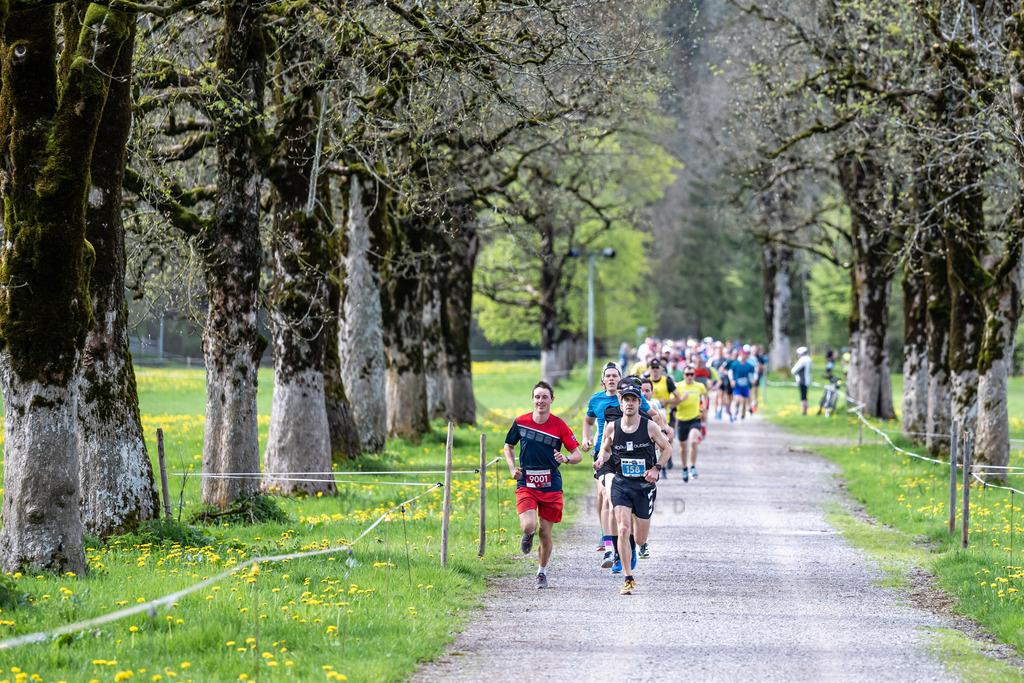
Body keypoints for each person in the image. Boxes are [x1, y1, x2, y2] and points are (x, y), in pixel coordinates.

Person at [504, 380, 583, 589]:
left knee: (545, 533)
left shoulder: (559, 425)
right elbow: (508, 446)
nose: (541, 401)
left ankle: (541, 572)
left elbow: (578, 455)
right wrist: (512, 467)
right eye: (537, 397)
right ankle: (527, 535)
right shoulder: (521, 422)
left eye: (544, 397)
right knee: (529, 525)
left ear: (552, 400)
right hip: (527, 480)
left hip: (551, 483)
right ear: (532, 399)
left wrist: (565, 458)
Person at [594, 382, 672, 595]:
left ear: (639, 403)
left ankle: (633, 546)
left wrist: (656, 468)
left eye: (633, 400)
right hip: (621, 483)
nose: (629, 403)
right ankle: (628, 578)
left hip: (644, 485)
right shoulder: (612, 427)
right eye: (625, 400)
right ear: (620, 404)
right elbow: (605, 451)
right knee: (623, 528)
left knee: (640, 538)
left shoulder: (649, 426)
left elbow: (667, 448)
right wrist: (601, 460)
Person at [581, 363, 654, 569]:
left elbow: (653, 417)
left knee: (626, 509)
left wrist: (656, 440)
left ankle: (627, 545)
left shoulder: (631, 397)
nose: (612, 379)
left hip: (630, 457)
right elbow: (588, 420)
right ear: (603, 380)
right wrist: (586, 438)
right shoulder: (597, 400)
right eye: (608, 376)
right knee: (606, 497)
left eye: (615, 376)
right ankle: (609, 545)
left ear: (621, 380)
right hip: (604, 454)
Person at [674, 365, 706, 481]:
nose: (689, 376)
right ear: (683, 375)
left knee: (693, 441)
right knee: (683, 447)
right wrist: (680, 399)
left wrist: (703, 408)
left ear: (694, 375)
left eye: (691, 374)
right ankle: (684, 468)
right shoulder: (678, 386)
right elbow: (672, 404)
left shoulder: (700, 386)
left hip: (695, 419)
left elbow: (705, 396)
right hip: (682, 420)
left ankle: (692, 466)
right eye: (687, 374)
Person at [730, 349, 756, 420]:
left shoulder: (749, 366)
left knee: (744, 401)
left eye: (745, 355)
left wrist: (753, 380)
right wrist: (732, 380)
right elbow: (730, 372)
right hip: (737, 385)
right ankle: (734, 413)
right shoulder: (735, 364)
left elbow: (754, 374)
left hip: (745, 386)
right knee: (737, 398)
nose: (744, 356)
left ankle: (742, 415)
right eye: (742, 354)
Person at [792, 346, 812, 415]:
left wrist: (792, 365)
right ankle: (805, 411)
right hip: (807, 379)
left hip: (802, 380)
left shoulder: (802, 360)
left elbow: (794, 370)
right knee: (805, 396)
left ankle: (804, 411)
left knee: (803, 397)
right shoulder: (809, 359)